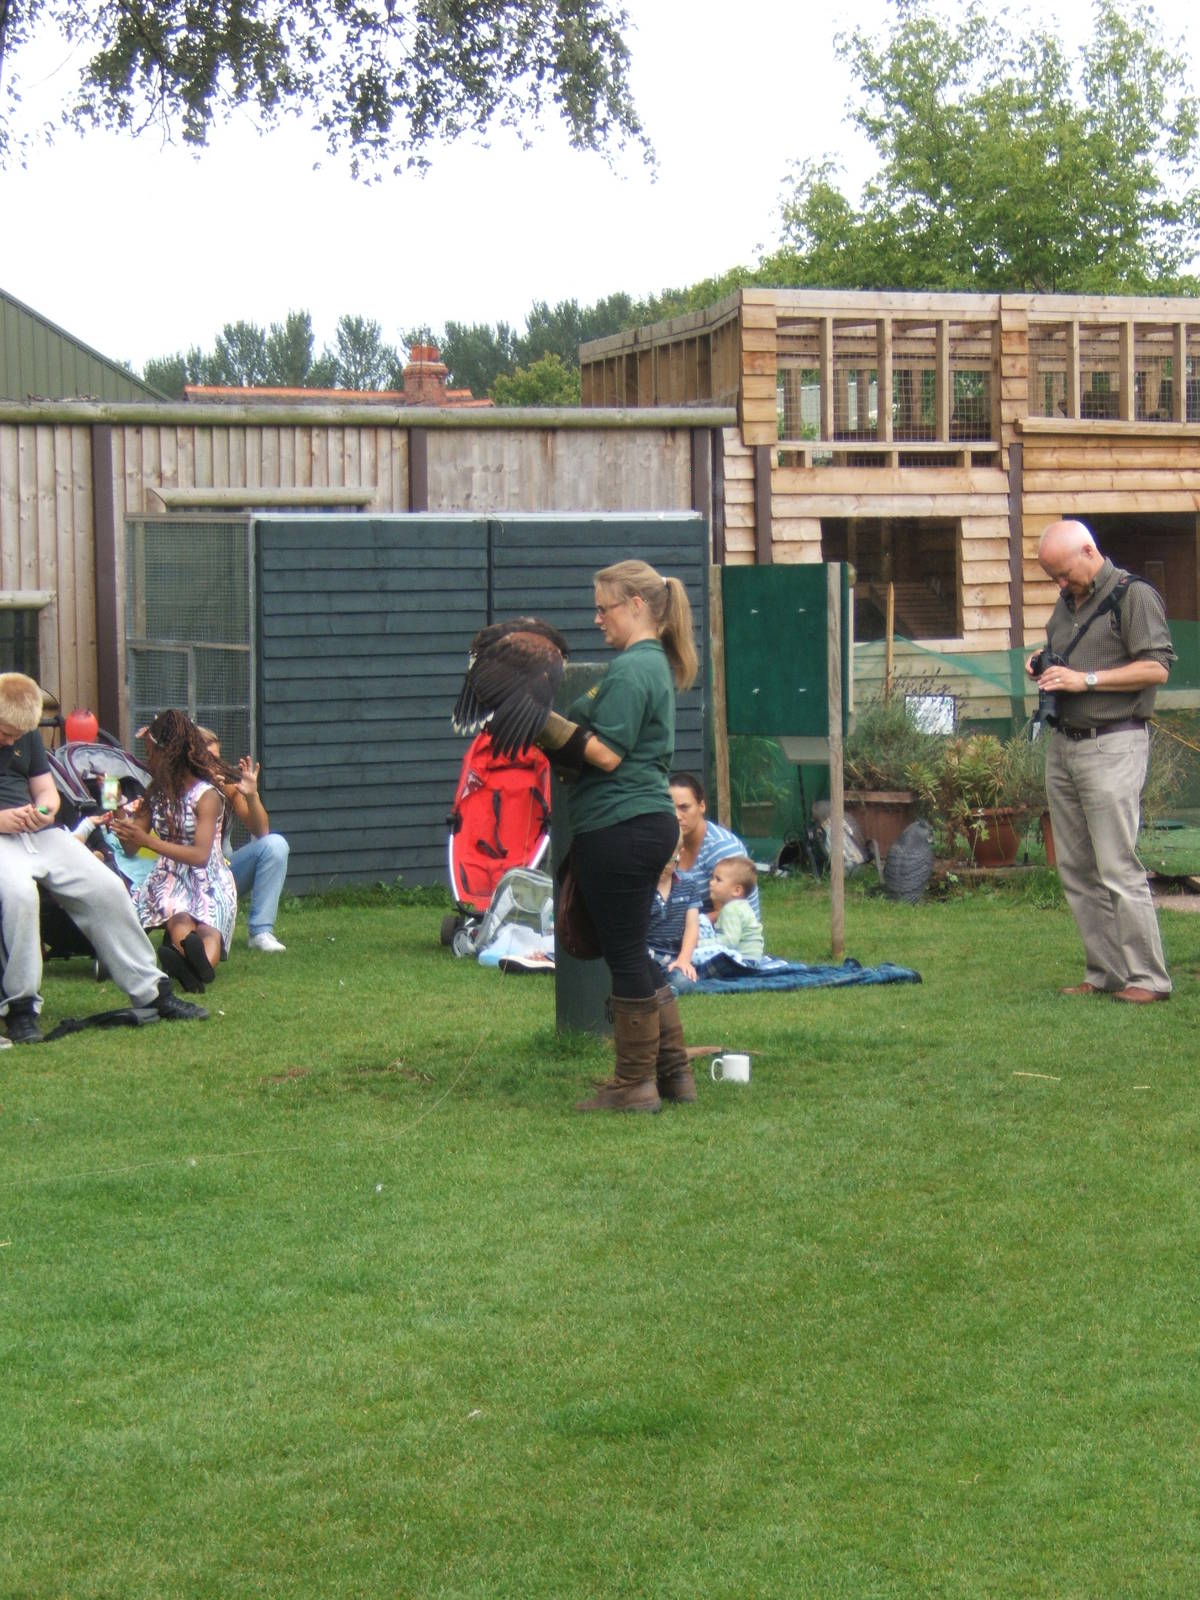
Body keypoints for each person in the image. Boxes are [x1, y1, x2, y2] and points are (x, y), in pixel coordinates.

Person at [536, 558, 699, 1111]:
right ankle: (673, 1073)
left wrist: (540, 724)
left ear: (636, 605)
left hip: (620, 824)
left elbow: (605, 753)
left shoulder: (634, 669)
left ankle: (634, 1085)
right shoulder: (647, 665)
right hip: (639, 823)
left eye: (604, 607)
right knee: (629, 949)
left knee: (625, 954)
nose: (597, 618)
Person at [0, 673, 208, 1042]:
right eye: (5, 733)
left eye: (19, 734)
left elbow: (46, 791)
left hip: (39, 832)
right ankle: (21, 1008)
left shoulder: (25, 732)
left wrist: (44, 810)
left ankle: (152, 992)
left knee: (107, 886)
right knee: (19, 895)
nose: (12, 740)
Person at [1028, 519, 1175, 1003]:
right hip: (1065, 744)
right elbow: (1065, 655)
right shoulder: (1067, 602)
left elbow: (1156, 667)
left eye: (1064, 574)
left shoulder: (1134, 596)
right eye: (1053, 576)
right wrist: (1044, 662)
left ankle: (1148, 978)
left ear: (1089, 552)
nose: (1059, 584)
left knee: (1117, 865)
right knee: (1076, 868)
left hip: (1113, 742)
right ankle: (1107, 971)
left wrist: (1084, 680)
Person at [110, 710, 238, 993]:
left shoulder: (207, 795)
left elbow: (201, 855)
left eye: (151, 752)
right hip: (170, 878)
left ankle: (194, 965)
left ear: (167, 754)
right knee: (178, 917)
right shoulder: (156, 792)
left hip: (210, 878)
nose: (147, 759)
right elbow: (131, 845)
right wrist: (116, 809)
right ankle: (192, 967)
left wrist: (149, 841)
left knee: (207, 926)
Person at [196, 727, 290, 953]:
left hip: (225, 873)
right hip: (190, 879)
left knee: (276, 845)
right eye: (207, 759)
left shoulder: (227, 787)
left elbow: (261, 830)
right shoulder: (178, 789)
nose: (214, 766)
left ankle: (260, 932)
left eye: (217, 759)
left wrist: (251, 796)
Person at [669, 772, 762, 921]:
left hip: (729, 937)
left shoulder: (722, 848)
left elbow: (736, 912)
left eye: (684, 808)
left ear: (702, 806)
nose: (677, 816)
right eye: (670, 808)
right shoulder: (666, 842)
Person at [646, 833, 702, 993]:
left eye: (667, 860)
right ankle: (664, 989)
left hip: (674, 956)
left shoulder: (688, 883)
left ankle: (667, 989)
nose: (661, 866)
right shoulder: (641, 889)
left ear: (679, 854)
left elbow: (692, 926)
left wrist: (684, 960)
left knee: (685, 980)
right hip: (646, 955)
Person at [709, 856, 765, 957]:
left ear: (737, 890)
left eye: (718, 879)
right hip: (752, 957)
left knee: (696, 961)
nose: (711, 882)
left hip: (741, 960)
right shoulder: (742, 906)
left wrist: (702, 943)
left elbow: (729, 942)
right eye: (713, 878)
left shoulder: (731, 909)